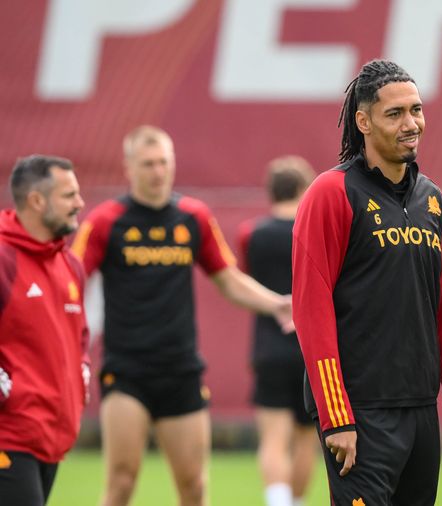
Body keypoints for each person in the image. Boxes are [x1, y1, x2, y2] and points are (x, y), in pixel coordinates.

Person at [292, 59, 442, 505]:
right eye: (395, 113)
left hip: (420, 411)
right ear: (363, 122)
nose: (411, 123)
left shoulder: (431, 199)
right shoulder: (331, 193)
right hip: (360, 412)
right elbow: (311, 311)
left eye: (416, 110)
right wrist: (336, 416)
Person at [70, 126, 293, 506]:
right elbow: (69, 281)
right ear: (129, 167)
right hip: (126, 371)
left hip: (180, 369)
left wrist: (276, 303)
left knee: (194, 487)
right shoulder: (106, 221)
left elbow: (228, 279)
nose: (158, 171)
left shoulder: (193, 217)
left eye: (164, 162)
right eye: (148, 164)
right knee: (121, 482)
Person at [0, 155, 89, 505]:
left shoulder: (70, 264)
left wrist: (82, 370)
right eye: (69, 195)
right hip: (9, 434)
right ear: (37, 201)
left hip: (50, 439)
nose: (80, 203)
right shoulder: (4, 259)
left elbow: (80, 337)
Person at [237, 156, 318, 506]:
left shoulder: (252, 233)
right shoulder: (313, 230)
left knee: (273, 438)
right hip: (312, 348)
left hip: (268, 346)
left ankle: (278, 502)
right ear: (303, 188)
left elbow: (244, 281)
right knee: (306, 439)